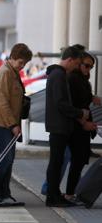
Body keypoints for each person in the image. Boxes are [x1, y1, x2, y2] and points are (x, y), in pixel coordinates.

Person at [44, 45, 97, 207]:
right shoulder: (59, 75)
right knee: (56, 162)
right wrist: (80, 113)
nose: (76, 67)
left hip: (60, 126)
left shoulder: (59, 75)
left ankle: (54, 194)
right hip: (59, 126)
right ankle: (53, 196)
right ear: (70, 60)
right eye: (77, 64)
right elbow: (61, 104)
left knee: (58, 161)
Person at [0, 43, 32, 207]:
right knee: (4, 159)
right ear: (12, 57)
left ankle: (4, 194)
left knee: (8, 159)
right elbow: (2, 101)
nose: (22, 66)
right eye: (20, 62)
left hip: (5, 122)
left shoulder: (11, 71)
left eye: (24, 63)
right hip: (1, 122)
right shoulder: (5, 73)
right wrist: (13, 124)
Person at [64, 49, 100, 204]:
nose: (88, 69)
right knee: (76, 161)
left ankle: (72, 192)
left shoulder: (83, 80)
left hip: (82, 125)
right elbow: (72, 103)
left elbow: (82, 99)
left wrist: (92, 98)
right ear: (79, 64)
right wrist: (84, 123)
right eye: (86, 65)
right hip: (77, 126)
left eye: (91, 67)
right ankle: (70, 193)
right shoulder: (73, 79)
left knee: (79, 161)